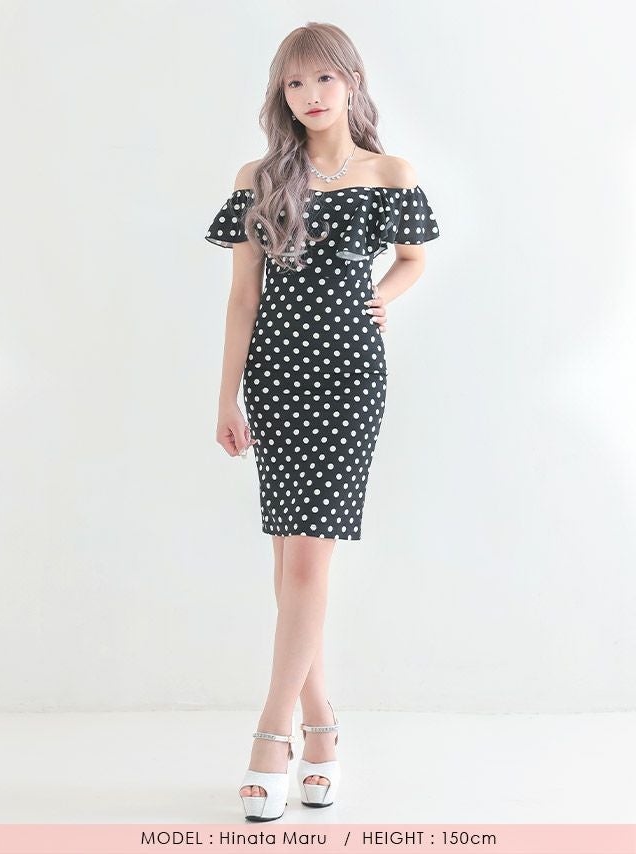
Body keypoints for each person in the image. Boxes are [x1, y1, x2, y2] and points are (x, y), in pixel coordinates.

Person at [204, 21, 440, 822]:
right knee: (287, 563)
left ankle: (272, 737)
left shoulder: (388, 173)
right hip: (275, 380)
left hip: (347, 380)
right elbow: (243, 297)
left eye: (323, 79)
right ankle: (323, 729)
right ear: (283, 93)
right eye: (295, 83)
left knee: (306, 560)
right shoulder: (260, 177)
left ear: (352, 82)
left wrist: (384, 296)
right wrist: (227, 397)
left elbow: (413, 259)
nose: (309, 95)